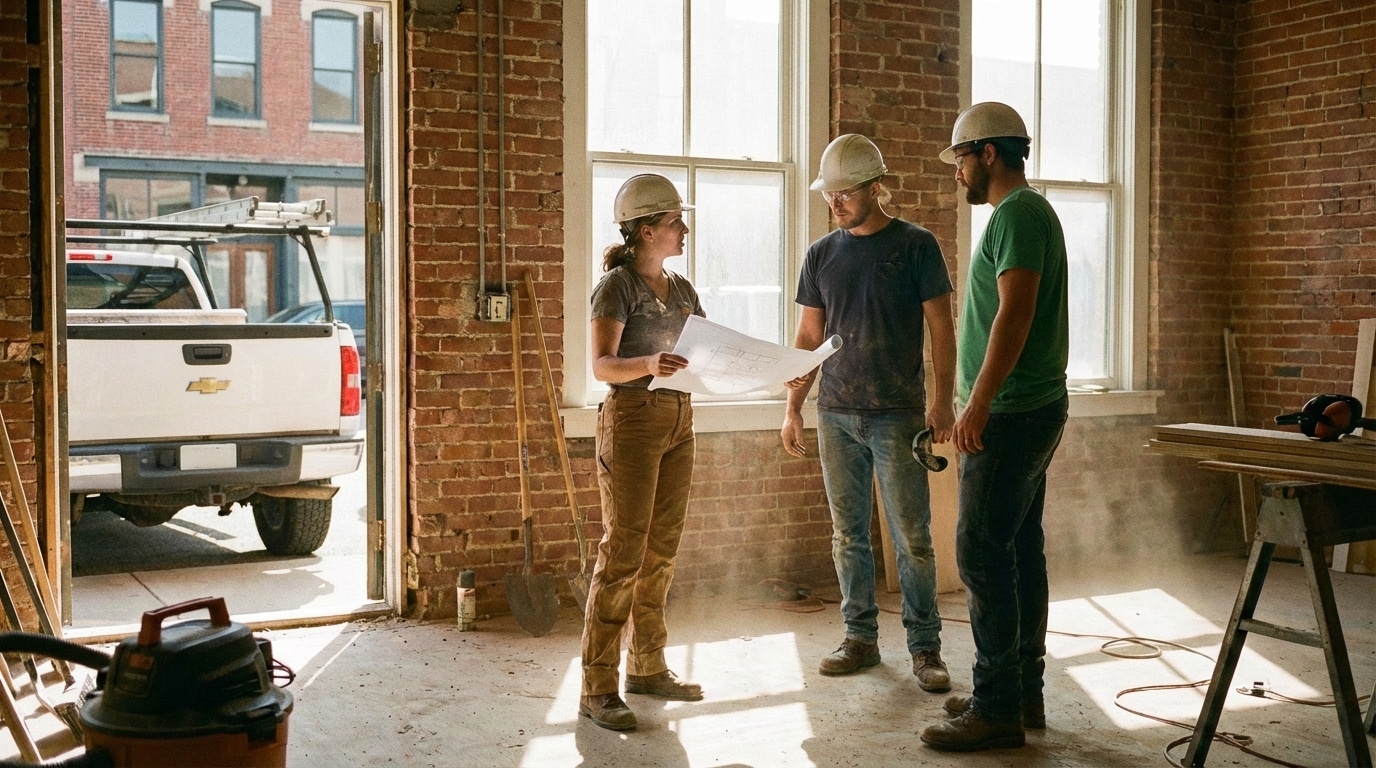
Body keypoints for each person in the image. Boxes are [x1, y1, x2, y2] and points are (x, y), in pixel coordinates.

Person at [780, 134, 958, 692]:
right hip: (835, 413)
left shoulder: (916, 246)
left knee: (913, 536)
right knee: (847, 534)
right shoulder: (821, 255)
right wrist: (793, 407)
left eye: (846, 192)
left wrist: (941, 398)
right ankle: (859, 638)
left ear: (877, 186)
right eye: (829, 194)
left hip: (897, 414)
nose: (835, 203)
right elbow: (808, 337)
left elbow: (941, 329)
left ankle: (925, 649)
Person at [919, 102, 1070, 752]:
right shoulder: (1023, 216)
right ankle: (1019, 690)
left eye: (960, 159)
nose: (957, 173)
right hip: (1027, 409)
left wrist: (976, 403)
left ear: (987, 154)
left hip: (1010, 416)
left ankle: (996, 707)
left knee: (982, 553)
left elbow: (1015, 314)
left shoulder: (1018, 214)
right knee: (1017, 549)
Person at [579, 173, 705, 732]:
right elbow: (602, 365)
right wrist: (649, 365)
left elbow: (698, 347)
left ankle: (648, 667)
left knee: (662, 549)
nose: (683, 228)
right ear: (648, 230)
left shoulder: (681, 289)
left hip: (679, 418)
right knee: (624, 551)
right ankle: (598, 686)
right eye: (676, 221)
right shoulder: (616, 286)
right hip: (632, 420)